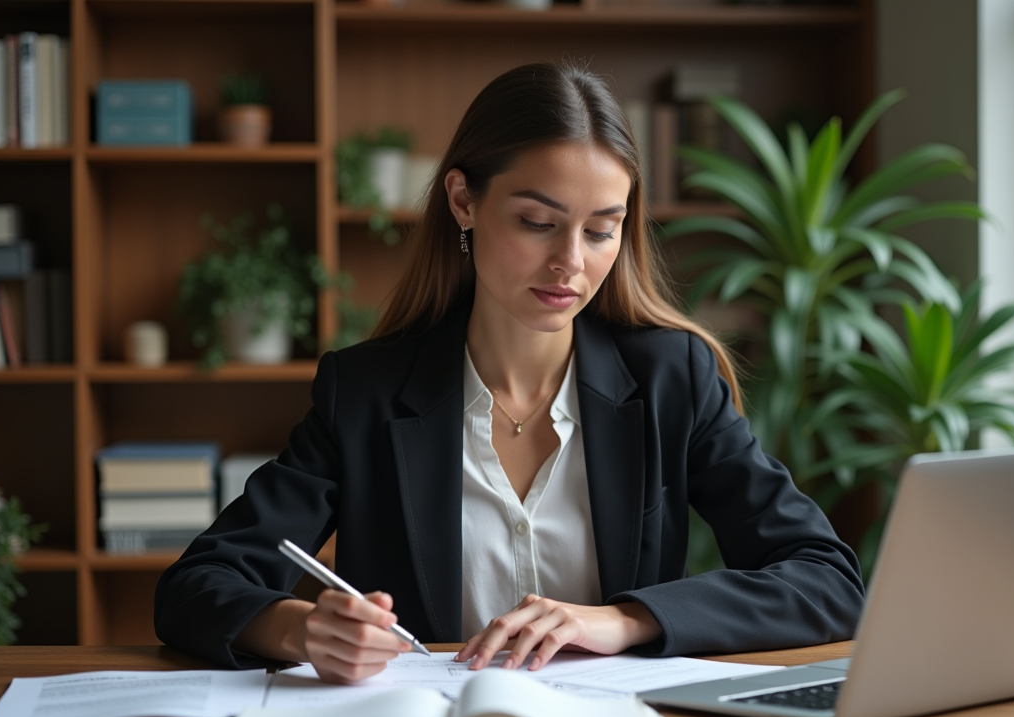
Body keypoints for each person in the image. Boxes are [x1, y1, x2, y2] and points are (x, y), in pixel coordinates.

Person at [155, 62, 864, 684]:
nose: (571, 263)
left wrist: (625, 620)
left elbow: (827, 581)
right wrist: (301, 629)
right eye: (537, 222)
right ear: (463, 201)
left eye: (601, 230)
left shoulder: (671, 379)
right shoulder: (365, 393)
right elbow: (196, 584)